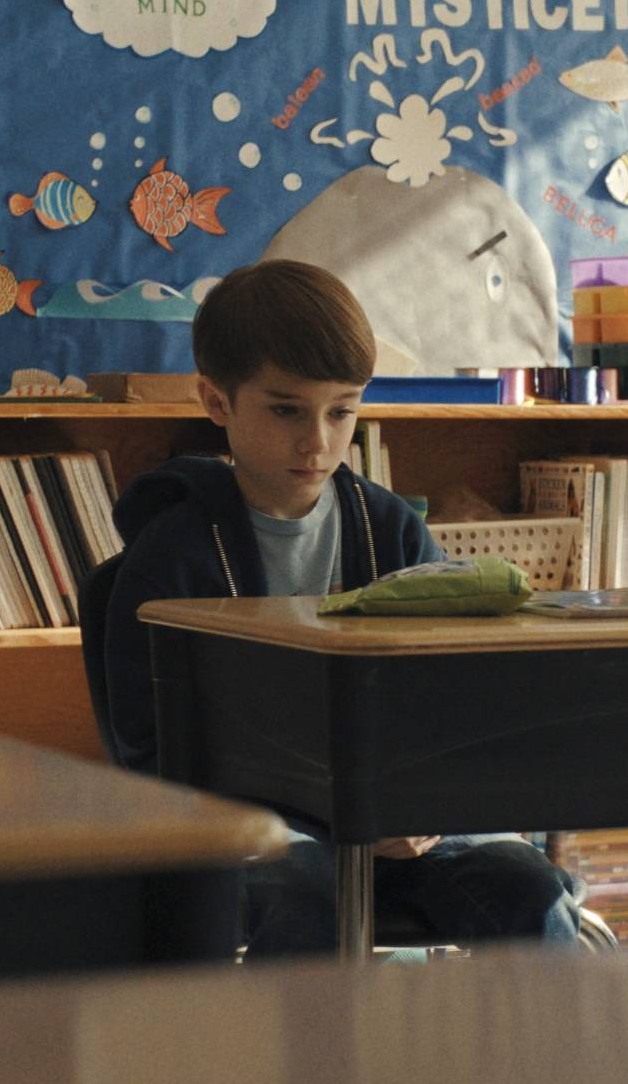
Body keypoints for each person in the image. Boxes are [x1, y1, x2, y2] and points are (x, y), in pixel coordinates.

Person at [101, 258, 581, 954]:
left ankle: (554, 1067)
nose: (318, 440)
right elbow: (152, 752)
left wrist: (425, 805)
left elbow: (448, 698)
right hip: (260, 827)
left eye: (343, 410)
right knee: (305, 899)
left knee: (528, 890)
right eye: (286, 409)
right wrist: (326, 811)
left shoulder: (391, 529)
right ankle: (314, 1068)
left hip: (398, 821)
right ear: (216, 401)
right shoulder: (170, 556)